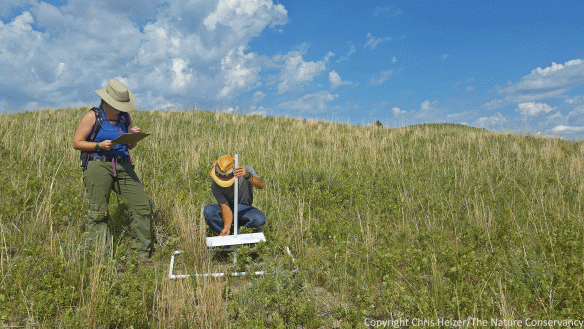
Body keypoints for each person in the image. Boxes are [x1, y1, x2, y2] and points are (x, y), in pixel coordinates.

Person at [72, 79, 153, 261]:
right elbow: (77, 143)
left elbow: (129, 146)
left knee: (141, 207)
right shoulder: (92, 116)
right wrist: (99, 146)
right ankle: (100, 255)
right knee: (99, 212)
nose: (120, 108)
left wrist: (133, 137)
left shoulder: (125, 118)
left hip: (124, 164)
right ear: (107, 101)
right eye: (118, 104)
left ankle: (142, 254)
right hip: (97, 164)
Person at [204, 155, 266, 236]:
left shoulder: (246, 170)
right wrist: (226, 227)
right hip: (227, 208)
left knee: (259, 219)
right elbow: (225, 207)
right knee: (209, 210)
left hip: (245, 208)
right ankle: (226, 235)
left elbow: (260, 186)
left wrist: (248, 176)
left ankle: (243, 235)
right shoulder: (215, 186)